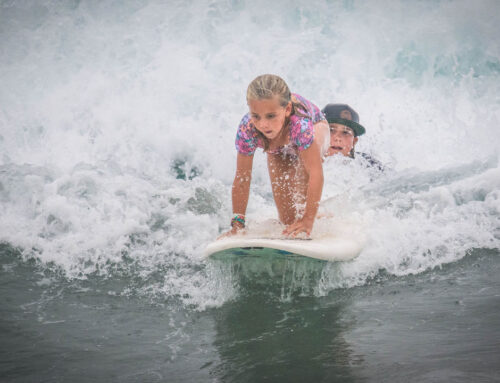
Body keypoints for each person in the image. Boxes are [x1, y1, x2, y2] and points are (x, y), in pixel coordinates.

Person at [223, 74, 330, 238]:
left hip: (316, 127)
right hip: (279, 146)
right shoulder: (248, 129)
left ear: (287, 109)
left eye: (270, 116)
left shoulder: (300, 124)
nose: (263, 124)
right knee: (287, 220)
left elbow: (316, 173)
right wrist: (237, 225)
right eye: (256, 116)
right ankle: (310, 215)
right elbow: (242, 177)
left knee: (302, 202)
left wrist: (307, 219)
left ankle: (316, 216)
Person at [322, 103, 384, 171]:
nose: (338, 138)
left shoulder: (366, 164)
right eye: (331, 130)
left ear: (354, 141)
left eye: (345, 132)